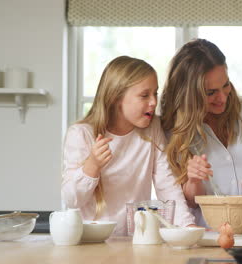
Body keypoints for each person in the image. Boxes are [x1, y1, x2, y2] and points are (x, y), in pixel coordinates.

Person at [61, 56, 195, 235]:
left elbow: (167, 185)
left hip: (135, 239)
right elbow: (71, 200)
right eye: (144, 95)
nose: (154, 102)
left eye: (155, 93)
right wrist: (92, 165)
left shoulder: (152, 128)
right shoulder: (82, 134)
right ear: (116, 97)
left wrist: (187, 226)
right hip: (92, 241)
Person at [160, 39, 242, 226]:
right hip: (208, 237)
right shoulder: (172, 131)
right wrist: (194, 179)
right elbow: (185, 203)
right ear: (189, 94)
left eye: (226, 85)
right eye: (210, 92)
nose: (222, 98)